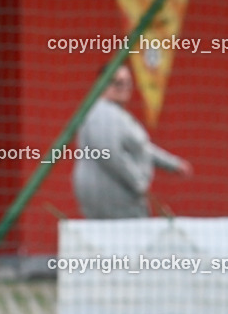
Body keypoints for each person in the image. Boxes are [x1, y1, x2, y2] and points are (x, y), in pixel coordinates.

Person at [72, 64, 191, 219]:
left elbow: (141, 147)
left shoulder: (115, 114)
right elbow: (110, 154)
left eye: (128, 83)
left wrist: (172, 164)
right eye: (117, 82)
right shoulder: (103, 113)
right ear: (101, 84)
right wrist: (137, 182)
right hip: (114, 199)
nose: (124, 87)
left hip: (120, 199)